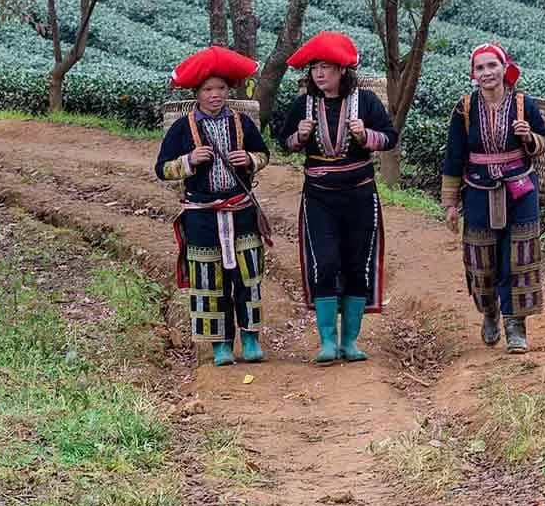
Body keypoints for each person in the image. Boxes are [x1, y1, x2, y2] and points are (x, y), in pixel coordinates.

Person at [276, 30, 397, 364]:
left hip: (359, 194)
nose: (319, 73)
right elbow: (281, 140)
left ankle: (350, 342)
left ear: (342, 70)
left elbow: (390, 137)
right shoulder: (303, 105)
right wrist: (297, 138)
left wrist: (366, 135)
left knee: (357, 265)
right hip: (319, 197)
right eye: (315, 67)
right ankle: (327, 340)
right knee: (326, 264)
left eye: (327, 67)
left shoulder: (367, 102)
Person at [155, 47, 270, 367]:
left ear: (229, 91)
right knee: (209, 280)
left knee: (247, 277)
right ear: (197, 93)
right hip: (202, 216)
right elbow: (162, 169)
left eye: (220, 88)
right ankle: (220, 344)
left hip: (241, 211)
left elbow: (264, 155)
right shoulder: (181, 129)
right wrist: (189, 161)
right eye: (208, 89)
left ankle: (250, 338)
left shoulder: (243, 124)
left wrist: (248, 159)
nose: (215, 95)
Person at [441, 43, 545, 354]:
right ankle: (489, 311)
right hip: (477, 189)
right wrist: (450, 203)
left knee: (519, 257)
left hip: (520, 189)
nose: (487, 73)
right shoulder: (464, 109)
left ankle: (515, 325)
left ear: (505, 69)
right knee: (482, 257)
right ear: (473, 74)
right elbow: (453, 156)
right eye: (480, 68)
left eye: (492, 66)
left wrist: (528, 136)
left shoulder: (523, 105)